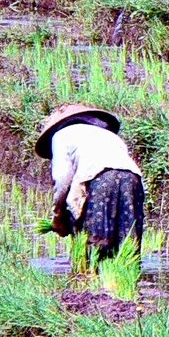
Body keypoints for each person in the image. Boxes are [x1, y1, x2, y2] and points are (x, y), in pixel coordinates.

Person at [35, 103, 145, 262]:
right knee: (127, 241)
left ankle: (91, 281)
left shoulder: (61, 135)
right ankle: (125, 279)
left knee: (95, 244)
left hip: (99, 180)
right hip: (133, 179)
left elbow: (62, 180)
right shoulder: (109, 135)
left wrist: (58, 216)